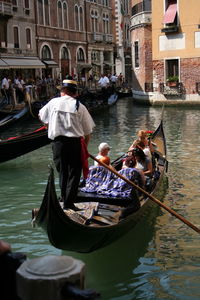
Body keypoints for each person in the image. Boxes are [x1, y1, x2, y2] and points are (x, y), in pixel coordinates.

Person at [38, 79, 95, 210]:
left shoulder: (53, 102)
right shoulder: (80, 106)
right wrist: (84, 148)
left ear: (63, 91)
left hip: (57, 144)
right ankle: (69, 203)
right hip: (75, 143)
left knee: (62, 172)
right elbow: (88, 132)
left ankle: (63, 199)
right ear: (74, 93)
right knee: (74, 174)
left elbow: (40, 115)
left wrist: (48, 125)